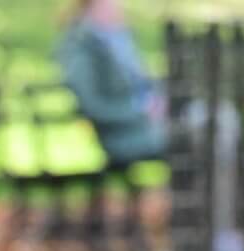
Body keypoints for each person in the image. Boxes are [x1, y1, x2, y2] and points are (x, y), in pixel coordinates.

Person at [56, 0, 168, 165]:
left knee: (211, 124)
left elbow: (139, 83)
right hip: (121, 136)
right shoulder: (80, 46)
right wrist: (141, 112)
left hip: (148, 124)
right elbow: (92, 105)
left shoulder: (118, 39)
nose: (116, 7)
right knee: (203, 134)